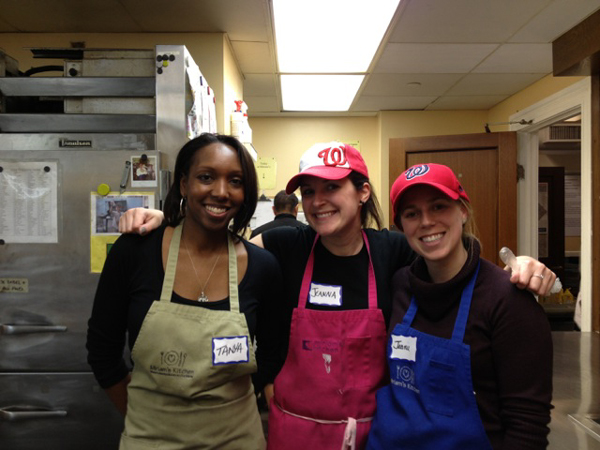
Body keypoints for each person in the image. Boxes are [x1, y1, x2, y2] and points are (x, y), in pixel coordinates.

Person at [119, 142, 556, 450]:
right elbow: (220, 242)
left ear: (362, 192)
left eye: (332, 188)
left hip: (372, 435)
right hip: (295, 434)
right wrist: (165, 219)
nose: (318, 201)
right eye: (309, 191)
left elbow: (454, 261)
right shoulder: (285, 248)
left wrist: (523, 267)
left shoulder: (394, 253)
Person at [86, 133, 283, 449]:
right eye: (206, 177)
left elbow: (273, 354)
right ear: (183, 184)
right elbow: (102, 350)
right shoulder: (135, 252)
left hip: (237, 439)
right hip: (150, 438)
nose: (220, 192)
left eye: (235, 181)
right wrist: (145, 417)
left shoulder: (263, 267)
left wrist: (229, 407)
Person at [367, 164, 553, 449]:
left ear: (463, 211)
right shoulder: (400, 284)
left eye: (439, 206)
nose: (426, 221)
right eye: (412, 213)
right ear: (401, 226)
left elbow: (527, 425)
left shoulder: (508, 301)